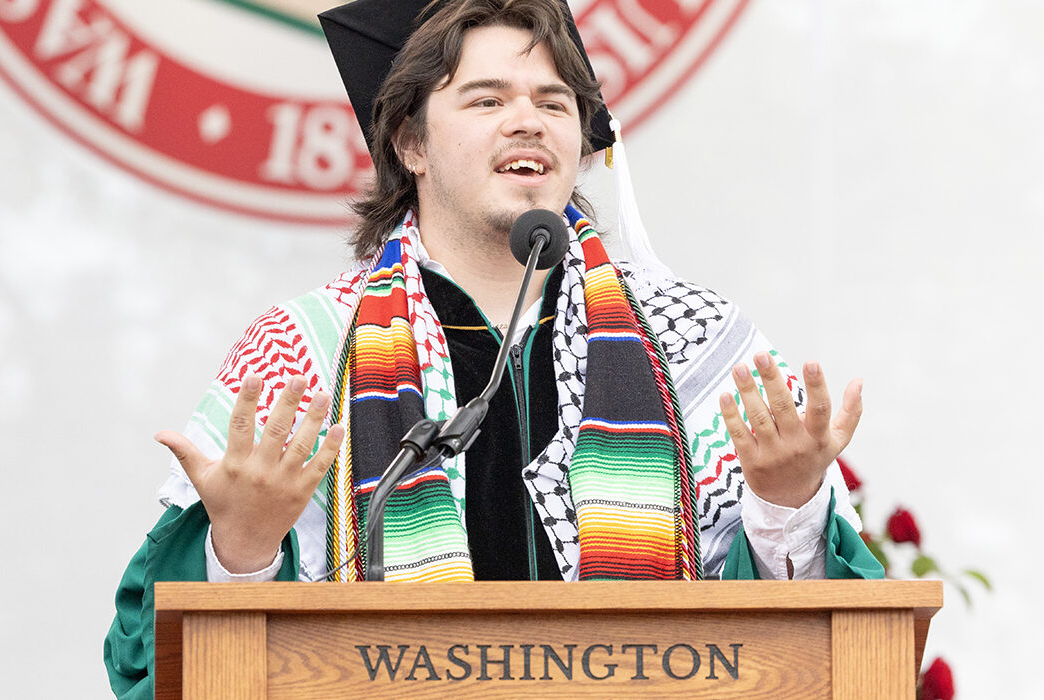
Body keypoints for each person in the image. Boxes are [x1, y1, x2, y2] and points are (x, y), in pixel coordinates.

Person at [104, 0, 883, 696]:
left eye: (554, 102)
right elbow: (166, 667)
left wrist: (786, 505)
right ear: (409, 141)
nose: (529, 121)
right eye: (487, 99)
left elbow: (811, 654)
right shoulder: (305, 353)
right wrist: (241, 549)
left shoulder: (698, 345)